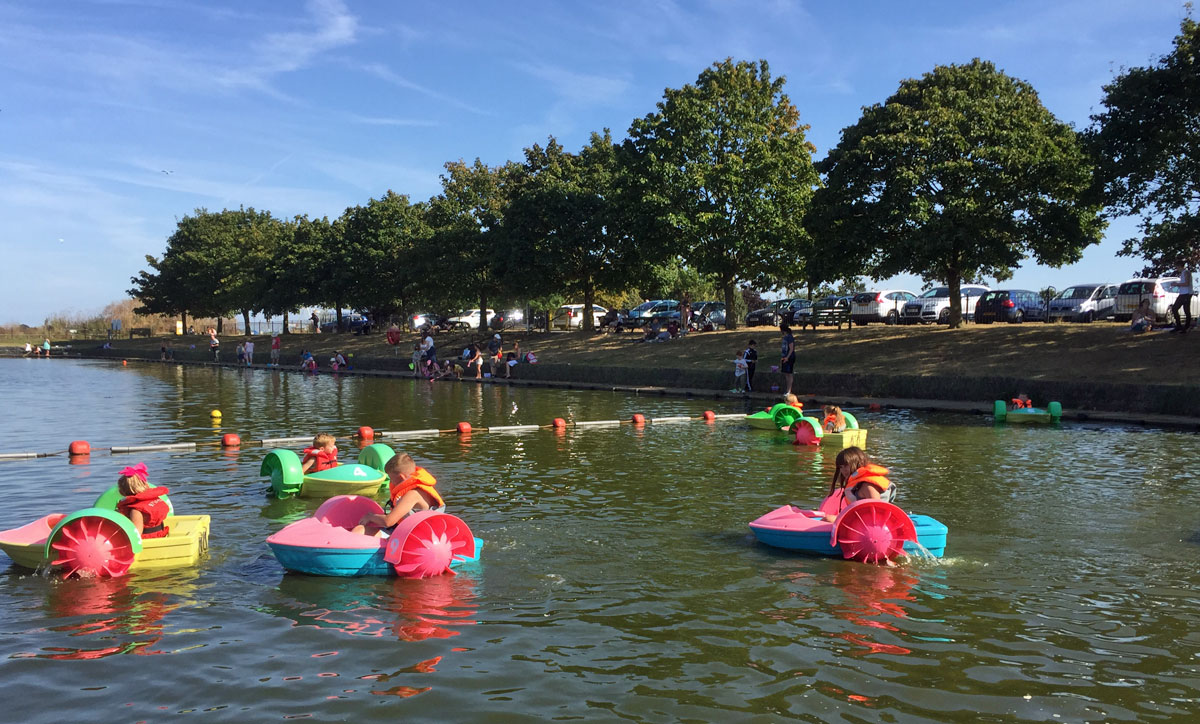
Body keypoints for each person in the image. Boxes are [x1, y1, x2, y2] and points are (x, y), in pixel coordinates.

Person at [351, 453, 444, 536]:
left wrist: (370, 516)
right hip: (410, 532)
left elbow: (388, 521)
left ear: (401, 477)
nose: (391, 482)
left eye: (391, 479)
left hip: (412, 538)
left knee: (359, 530)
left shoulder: (412, 494)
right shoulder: (420, 489)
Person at [821, 447, 895, 522]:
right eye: (841, 467)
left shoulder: (867, 485)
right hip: (864, 520)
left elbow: (876, 510)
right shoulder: (858, 484)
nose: (843, 470)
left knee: (828, 519)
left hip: (873, 523)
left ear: (858, 462)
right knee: (828, 518)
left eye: (846, 465)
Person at [115, 462, 171, 539]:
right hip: (160, 534)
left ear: (123, 491)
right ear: (145, 484)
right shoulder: (154, 498)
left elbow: (136, 534)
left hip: (149, 540)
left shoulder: (136, 510)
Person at [1171, 266, 1194, 333]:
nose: (1177, 269)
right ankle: (1180, 326)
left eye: (1177, 267)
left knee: (1184, 309)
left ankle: (1186, 326)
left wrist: (1176, 284)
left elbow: (1187, 283)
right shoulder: (1183, 273)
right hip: (1183, 293)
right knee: (1176, 308)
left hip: (1186, 293)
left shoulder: (1186, 272)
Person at [779, 324, 795, 394]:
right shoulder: (785, 337)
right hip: (784, 357)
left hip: (789, 357)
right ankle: (787, 390)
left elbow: (791, 348)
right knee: (786, 374)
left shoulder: (790, 337)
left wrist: (787, 357)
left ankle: (789, 391)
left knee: (789, 373)